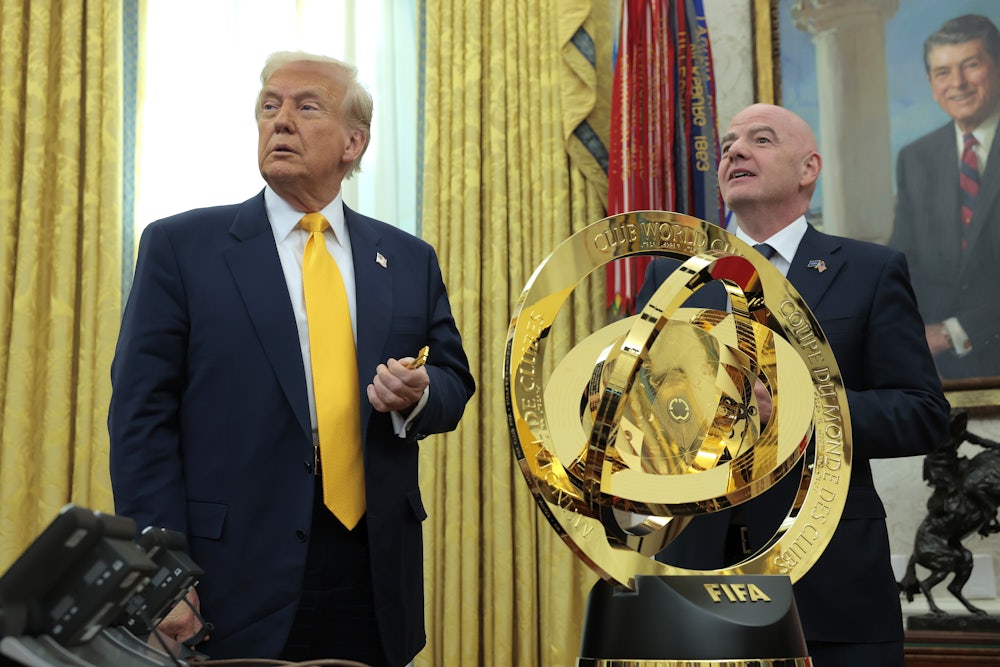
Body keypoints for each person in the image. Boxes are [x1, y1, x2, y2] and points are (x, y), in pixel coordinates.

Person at [108, 51, 475, 667]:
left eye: (307, 107)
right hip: (228, 572)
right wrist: (163, 575)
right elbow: (140, 422)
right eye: (269, 107)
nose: (280, 120)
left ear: (354, 142)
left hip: (373, 574)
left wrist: (419, 395)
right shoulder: (181, 247)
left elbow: (453, 381)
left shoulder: (408, 258)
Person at [636, 104, 950, 666]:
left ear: (809, 169)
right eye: (728, 144)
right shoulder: (671, 276)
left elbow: (922, 413)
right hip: (695, 570)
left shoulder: (870, 271)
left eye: (760, 140)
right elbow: (635, 410)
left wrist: (796, 409)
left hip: (829, 582)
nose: (734, 150)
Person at [890, 14, 1000, 379]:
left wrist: (954, 332)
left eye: (971, 65)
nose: (958, 83)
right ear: (931, 83)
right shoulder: (915, 158)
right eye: (943, 72)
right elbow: (901, 261)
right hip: (935, 368)